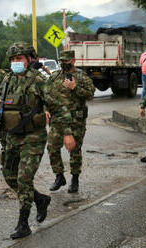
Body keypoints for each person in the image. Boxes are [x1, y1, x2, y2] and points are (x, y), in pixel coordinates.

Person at [0, 42, 57, 239]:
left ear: (29, 60)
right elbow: (3, 109)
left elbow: (56, 104)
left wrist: (64, 132)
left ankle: (23, 224)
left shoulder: (39, 81)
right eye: (13, 59)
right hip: (12, 136)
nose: (16, 62)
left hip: (33, 137)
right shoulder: (7, 80)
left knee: (24, 179)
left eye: (19, 59)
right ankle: (40, 199)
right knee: (9, 175)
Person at [45, 50, 95, 193]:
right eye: (61, 61)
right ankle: (59, 176)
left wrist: (75, 88)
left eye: (66, 61)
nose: (63, 64)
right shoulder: (54, 77)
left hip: (75, 120)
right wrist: (45, 108)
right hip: (57, 120)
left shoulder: (81, 76)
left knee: (74, 149)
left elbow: (91, 94)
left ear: (73, 60)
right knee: (52, 148)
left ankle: (75, 179)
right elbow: (45, 94)